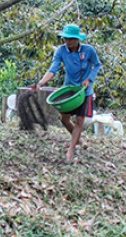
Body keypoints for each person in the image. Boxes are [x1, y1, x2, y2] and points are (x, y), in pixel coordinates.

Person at [34, 24, 101, 161]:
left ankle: (71, 149)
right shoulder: (61, 51)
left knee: (79, 120)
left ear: (77, 39)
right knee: (64, 118)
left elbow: (97, 65)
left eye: (71, 39)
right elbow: (53, 69)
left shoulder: (89, 50)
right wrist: (40, 83)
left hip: (84, 91)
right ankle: (77, 140)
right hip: (69, 89)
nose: (68, 42)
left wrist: (89, 78)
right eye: (65, 39)